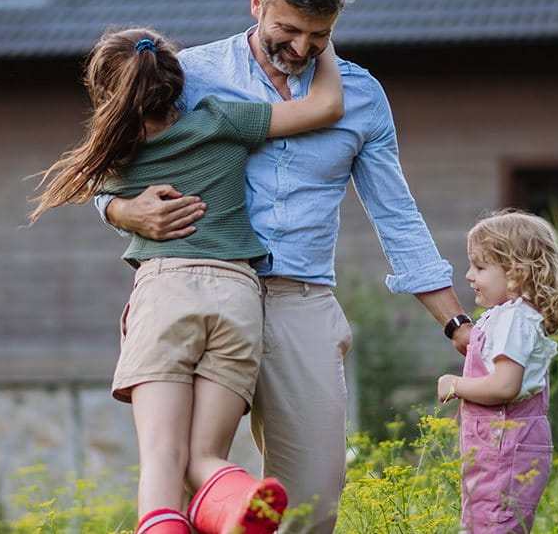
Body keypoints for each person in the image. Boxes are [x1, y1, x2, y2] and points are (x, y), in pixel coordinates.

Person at [95, 0, 472, 531]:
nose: (299, 48)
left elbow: (396, 214)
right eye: (288, 29)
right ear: (256, 2)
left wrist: (456, 323)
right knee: (181, 472)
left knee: (310, 502)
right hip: (201, 284)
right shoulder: (189, 75)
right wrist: (120, 212)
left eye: (316, 36)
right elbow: (111, 167)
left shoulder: (361, 97)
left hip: (300, 301)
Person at [28, 27, 345, 534]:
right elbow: (327, 106)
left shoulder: (115, 153)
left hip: (166, 292)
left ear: (114, 96)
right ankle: (239, 495)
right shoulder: (222, 119)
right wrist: (321, 42)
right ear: (176, 82)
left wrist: (123, 210)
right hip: (239, 297)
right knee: (203, 456)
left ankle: (189, 516)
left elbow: (99, 196)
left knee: (162, 458)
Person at [436, 209, 558, 534]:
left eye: (480, 266)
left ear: (516, 274)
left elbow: (505, 386)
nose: (469, 275)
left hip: (504, 448)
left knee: (490, 526)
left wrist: (456, 384)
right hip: (502, 446)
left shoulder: (514, 319)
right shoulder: (509, 316)